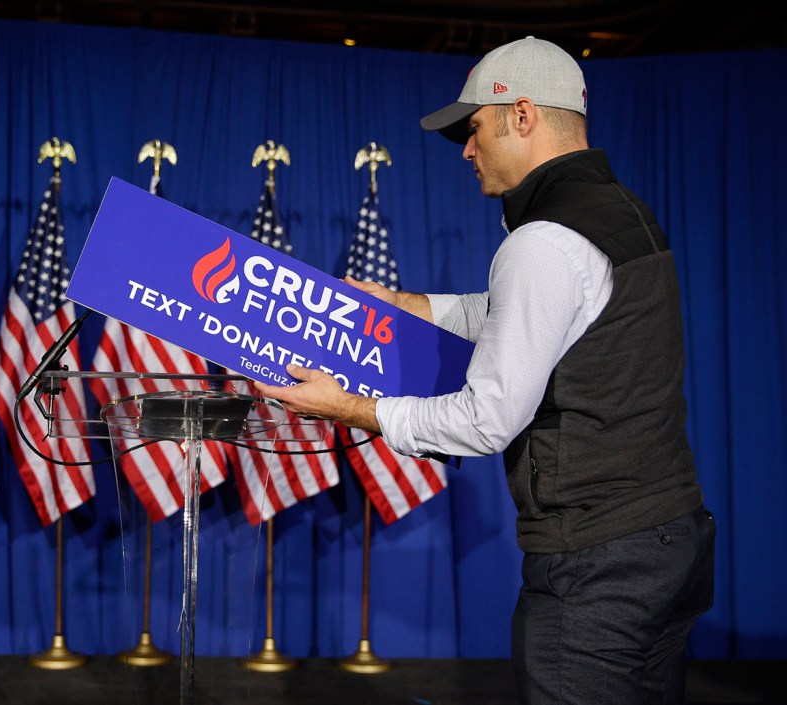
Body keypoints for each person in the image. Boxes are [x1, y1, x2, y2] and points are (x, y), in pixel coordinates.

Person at [254, 36, 715, 705]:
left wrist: (350, 406)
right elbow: (544, 317)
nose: (467, 152)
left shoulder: (541, 242)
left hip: (596, 567)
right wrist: (411, 306)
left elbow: (485, 420)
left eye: (473, 131)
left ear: (521, 116)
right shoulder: (624, 213)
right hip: (671, 540)